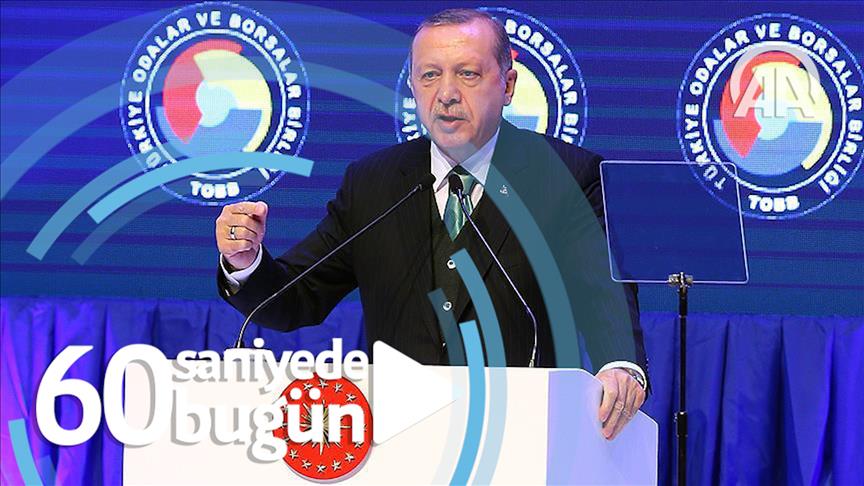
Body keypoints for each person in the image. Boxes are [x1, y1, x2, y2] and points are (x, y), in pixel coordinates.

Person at [216, 8, 647, 440]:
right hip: (398, 437)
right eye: (429, 76)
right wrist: (245, 261)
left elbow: (602, 290)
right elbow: (296, 297)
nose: (446, 94)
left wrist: (620, 364)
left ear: (508, 85)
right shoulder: (374, 183)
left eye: (468, 74)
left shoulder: (564, 176)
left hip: (520, 437)